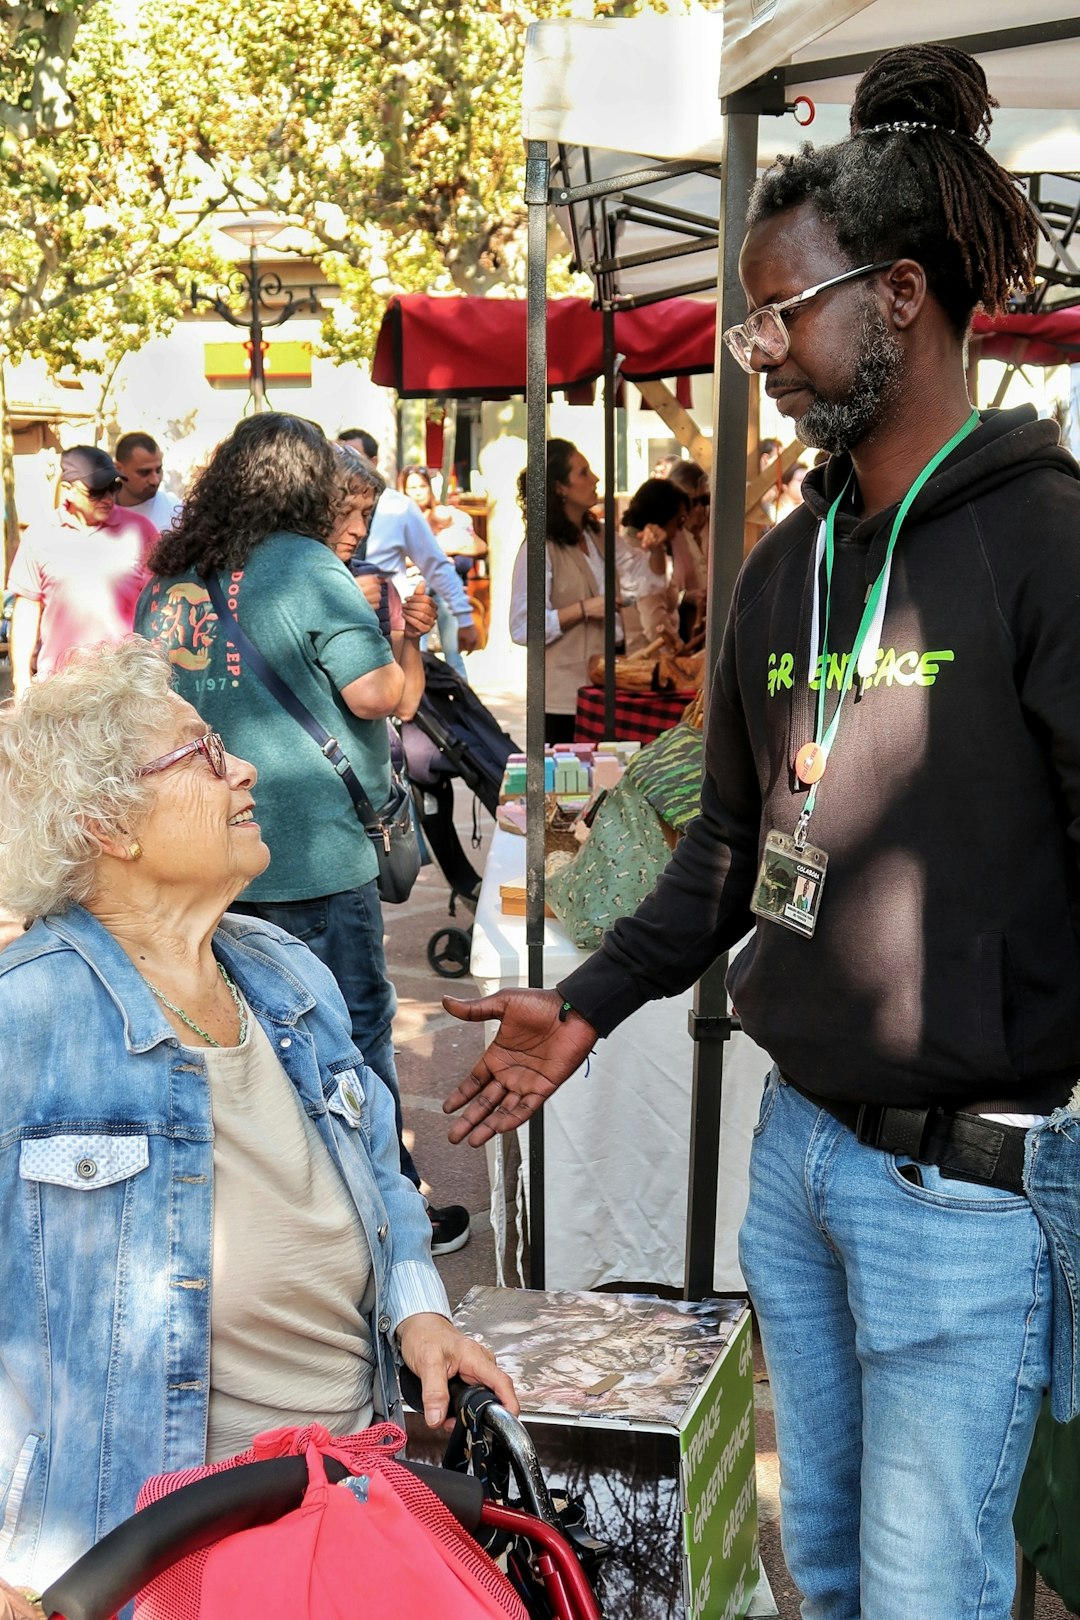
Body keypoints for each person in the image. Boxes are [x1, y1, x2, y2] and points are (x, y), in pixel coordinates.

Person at [442, 44, 1080, 1620]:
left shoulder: (1048, 544)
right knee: (836, 1575)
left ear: (902, 297)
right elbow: (732, 844)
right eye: (751, 321)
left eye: (783, 313)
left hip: (966, 1191)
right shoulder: (785, 568)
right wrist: (588, 1004)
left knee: (927, 1593)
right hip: (799, 1157)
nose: (761, 355)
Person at [0, 638, 514, 1597]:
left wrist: (419, 1310)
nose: (243, 768)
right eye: (201, 753)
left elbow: (380, 1172)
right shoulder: (22, 1021)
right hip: (149, 1550)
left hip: (346, 1499)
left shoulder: (284, 972)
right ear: (107, 825)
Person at [136, 415, 470, 1257]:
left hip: (196, 857)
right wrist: (405, 637)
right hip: (309, 851)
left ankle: (271, 1225)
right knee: (346, 1038)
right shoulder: (306, 565)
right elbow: (378, 696)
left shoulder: (172, 579)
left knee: (226, 1043)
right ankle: (386, 1224)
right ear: (302, 485)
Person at [5, 445, 157, 696]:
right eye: (96, 491)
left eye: (113, 487)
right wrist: (21, 680)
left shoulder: (141, 530)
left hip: (124, 688)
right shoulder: (39, 534)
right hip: (59, 687)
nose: (108, 498)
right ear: (68, 489)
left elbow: (159, 606)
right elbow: (27, 609)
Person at [337, 429, 479, 669]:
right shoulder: (321, 507)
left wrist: (464, 618)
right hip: (340, 623)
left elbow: (435, 564)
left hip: (395, 625)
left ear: (373, 462)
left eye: (353, 455)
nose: (345, 465)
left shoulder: (398, 508)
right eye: (340, 457)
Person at [509, 439, 620, 746]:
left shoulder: (598, 535)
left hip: (607, 690)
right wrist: (583, 609)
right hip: (562, 701)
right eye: (583, 472)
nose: (595, 478)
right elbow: (522, 627)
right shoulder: (539, 547)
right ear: (560, 487)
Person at [614, 476, 687, 653]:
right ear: (663, 516)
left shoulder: (630, 548)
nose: (680, 529)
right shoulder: (643, 555)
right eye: (680, 521)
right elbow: (655, 623)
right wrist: (677, 648)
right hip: (649, 657)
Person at [664, 459, 710, 641]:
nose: (699, 509)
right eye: (692, 502)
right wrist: (685, 597)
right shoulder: (669, 535)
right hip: (682, 631)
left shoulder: (716, 527)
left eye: (704, 500)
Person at [113, 430, 183, 534]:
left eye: (158, 470)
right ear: (119, 469)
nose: (155, 480)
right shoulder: (94, 512)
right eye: (144, 472)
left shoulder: (176, 513)